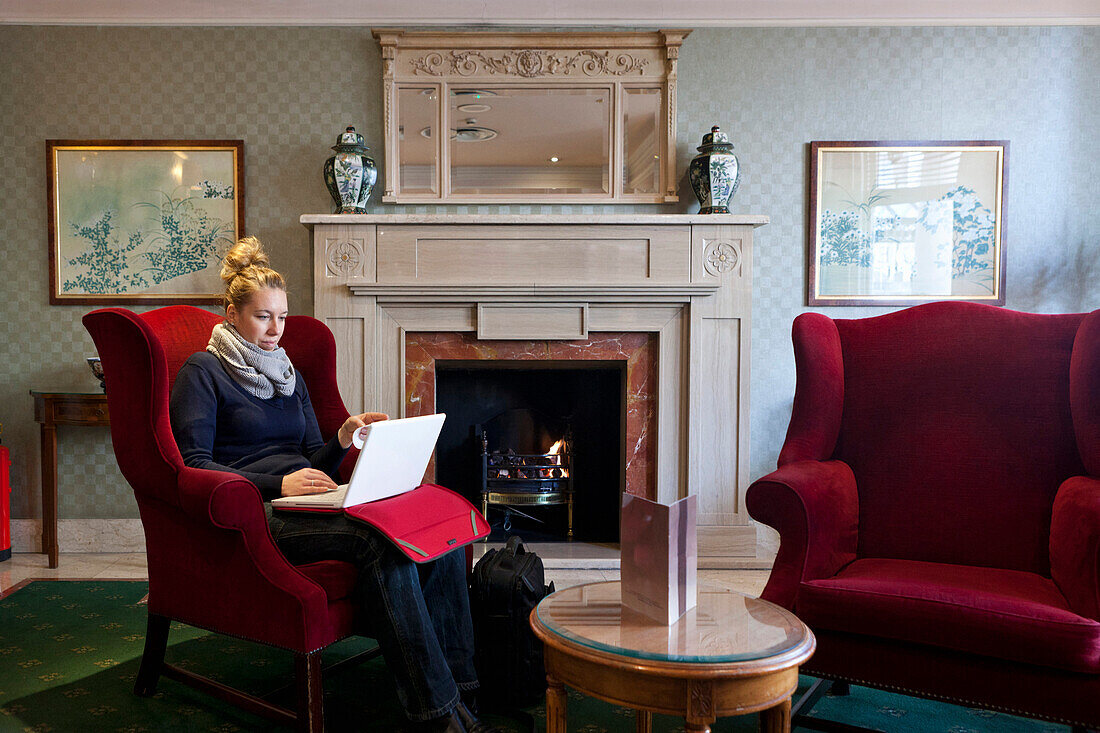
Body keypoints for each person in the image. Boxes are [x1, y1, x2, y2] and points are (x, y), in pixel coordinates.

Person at [169, 236, 501, 733]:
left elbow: (310, 457)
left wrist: (343, 439)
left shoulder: (289, 373)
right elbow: (194, 464)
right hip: (259, 508)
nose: (277, 330)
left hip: (310, 497)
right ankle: (437, 715)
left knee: (437, 533)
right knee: (379, 545)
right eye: (263, 317)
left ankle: (463, 694)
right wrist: (280, 480)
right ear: (232, 313)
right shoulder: (204, 371)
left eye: (281, 316)